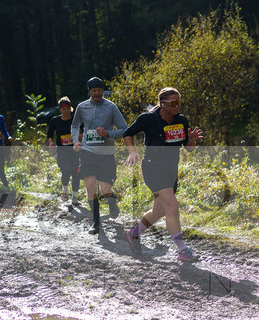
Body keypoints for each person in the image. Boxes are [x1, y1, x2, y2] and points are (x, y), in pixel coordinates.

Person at [121, 87, 203, 262]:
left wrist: (192, 140)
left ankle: (133, 233)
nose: (177, 106)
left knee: (159, 211)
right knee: (172, 207)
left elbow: (189, 148)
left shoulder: (181, 120)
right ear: (162, 103)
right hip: (153, 168)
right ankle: (182, 250)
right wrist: (132, 152)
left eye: (179, 102)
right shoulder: (148, 118)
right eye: (173, 103)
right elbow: (127, 134)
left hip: (171, 170)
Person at [72, 77, 129, 235]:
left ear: (103, 91)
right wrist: (76, 140)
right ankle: (96, 222)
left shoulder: (111, 107)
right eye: (93, 91)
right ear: (89, 91)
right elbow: (75, 125)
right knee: (90, 186)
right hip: (87, 152)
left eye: (99, 90)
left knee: (105, 190)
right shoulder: (82, 107)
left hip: (106, 154)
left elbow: (124, 129)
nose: (97, 93)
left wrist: (108, 133)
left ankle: (112, 202)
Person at [46, 96, 81, 205]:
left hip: (75, 150)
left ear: (71, 108)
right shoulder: (55, 120)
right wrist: (51, 142)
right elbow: (50, 134)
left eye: (67, 108)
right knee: (65, 171)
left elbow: (83, 131)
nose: (66, 111)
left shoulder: (75, 119)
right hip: (62, 150)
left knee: (76, 173)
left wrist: (80, 137)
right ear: (60, 109)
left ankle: (75, 197)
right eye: (63, 109)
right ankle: (64, 191)